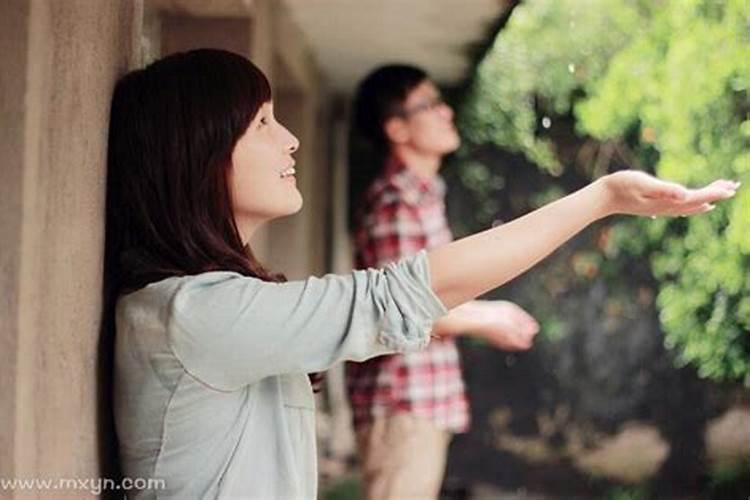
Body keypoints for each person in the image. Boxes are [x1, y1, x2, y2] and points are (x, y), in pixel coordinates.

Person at [105, 48, 737, 499]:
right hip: (405, 405)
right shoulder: (190, 315)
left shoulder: (205, 308)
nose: (291, 139)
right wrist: (601, 199)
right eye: (264, 123)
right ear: (199, 156)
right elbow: (398, 294)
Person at [345, 64, 542, 500]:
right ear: (396, 128)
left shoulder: (422, 197)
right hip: (403, 404)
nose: (446, 113)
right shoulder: (396, 202)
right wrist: (488, 316)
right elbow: (402, 307)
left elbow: (426, 297)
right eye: (429, 104)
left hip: (419, 403)